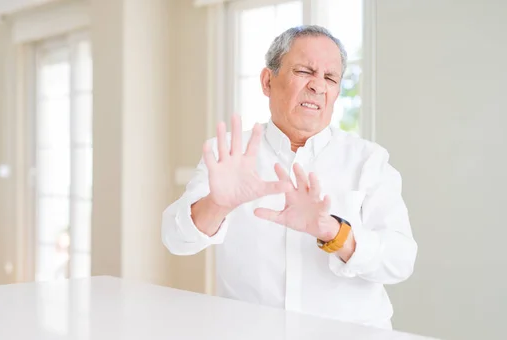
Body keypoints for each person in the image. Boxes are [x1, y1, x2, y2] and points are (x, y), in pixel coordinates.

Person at [161, 25, 417, 330]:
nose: (318, 86)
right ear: (268, 81)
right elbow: (175, 240)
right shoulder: (230, 153)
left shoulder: (368, 161)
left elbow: (400, 260)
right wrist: (217, 204)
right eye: (304, 71)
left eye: (330, 78)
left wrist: (335, 233)